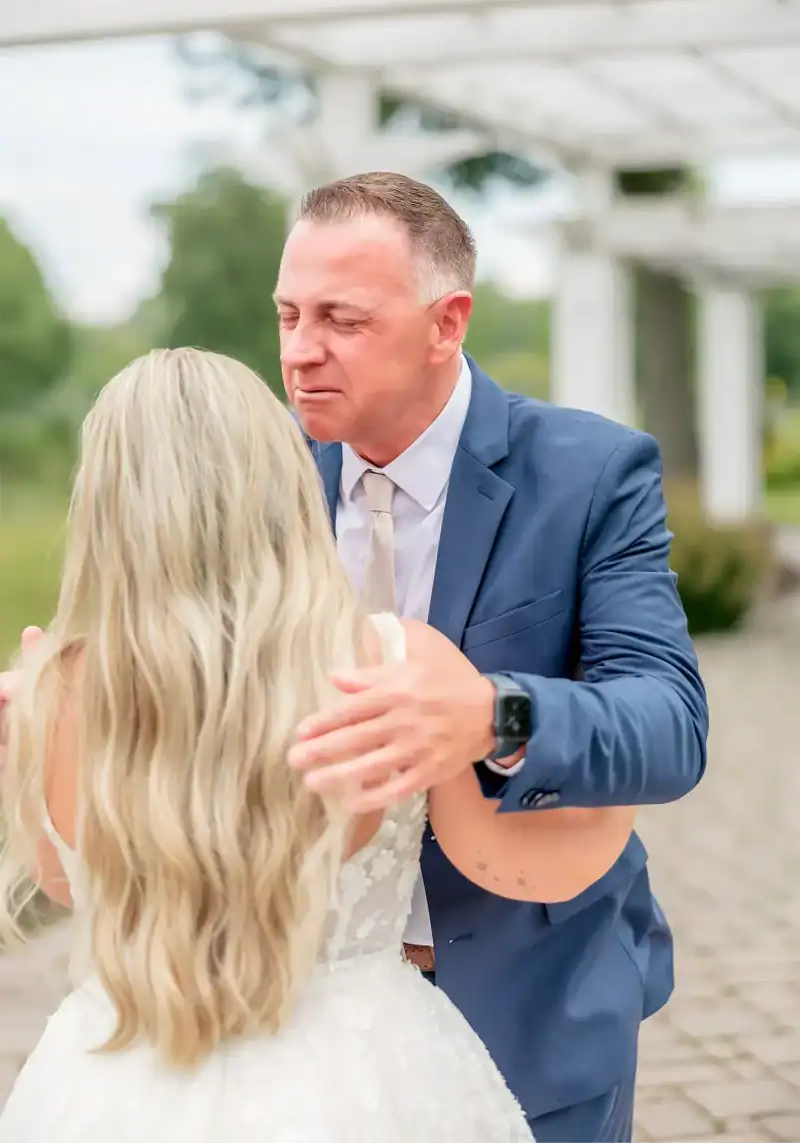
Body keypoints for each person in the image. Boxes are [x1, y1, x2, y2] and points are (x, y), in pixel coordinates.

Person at [0, 347, 637, 1141]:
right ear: (279, 481)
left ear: (102, 505)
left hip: (116, 1075)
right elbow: (506, 859)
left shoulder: (49, 687)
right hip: (361, 1077)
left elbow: (64, 887)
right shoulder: (396, 660)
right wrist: (517, 717)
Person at [275, 172, 710, 1143]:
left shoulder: (591, 473)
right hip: (305, 1016)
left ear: (446, 322)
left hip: (532, 1007)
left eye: (341, 318)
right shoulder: (264, 486)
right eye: (289, 313)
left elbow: (668, 726)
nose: (300, 351)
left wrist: (491, 717)